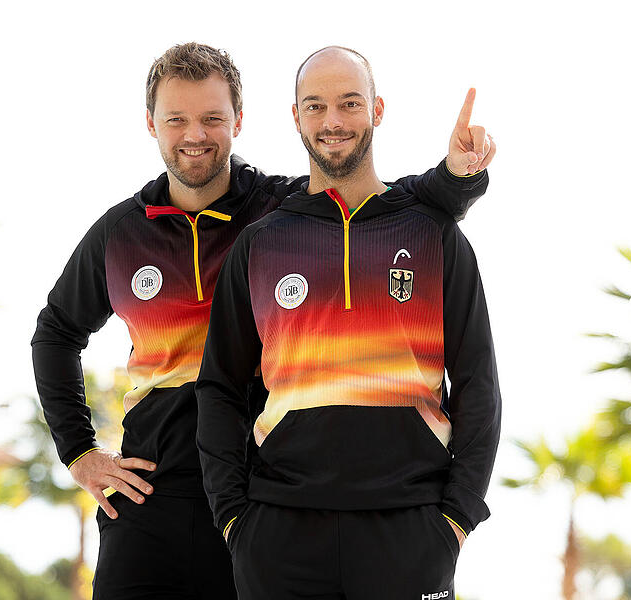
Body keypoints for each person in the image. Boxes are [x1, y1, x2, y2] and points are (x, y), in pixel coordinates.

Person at [32, 42, 493, 600]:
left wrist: (457, 177)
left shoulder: (280, 210)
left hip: (258, 489)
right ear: (150, 124)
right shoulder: (120, 232)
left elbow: (379, 199)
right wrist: (80, 451)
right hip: (152, 491)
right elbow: (55, 334)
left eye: (212, 118)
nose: (194, 134)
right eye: (176, 119)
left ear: (239, 122)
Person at [196, 46, 501, 600]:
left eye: (349, 103)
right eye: (315, 106)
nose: (332, 121)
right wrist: (234, 520)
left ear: (377, 110)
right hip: (277, 533)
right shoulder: (259, 245)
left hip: (410, 531)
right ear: (295, 117)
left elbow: (479, 385)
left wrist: (456, 518)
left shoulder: (436, 239)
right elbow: (219, 387)